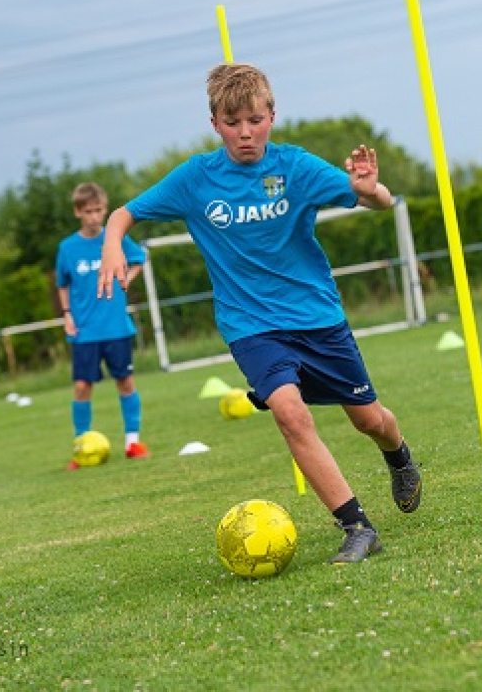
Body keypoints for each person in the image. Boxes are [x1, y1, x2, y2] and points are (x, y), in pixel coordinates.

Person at [97, 63, 421, 563]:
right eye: (232, 122)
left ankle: (398, 455)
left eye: (254, 119)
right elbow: (124, 213)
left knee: (369, 420)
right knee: (290, 413)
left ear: (272, 115)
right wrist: (112, 245)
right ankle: (357, 526)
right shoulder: (195, 179)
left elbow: (373, 200)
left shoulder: (297, 168)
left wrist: (370, 186)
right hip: (250, 325)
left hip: (317, 318)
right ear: (214, 124)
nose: (245, 132)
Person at [56, 181, 150, 468]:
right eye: (88, 212)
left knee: (125, 381)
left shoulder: (115, 237)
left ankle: (132, 442)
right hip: (85, 330)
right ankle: (81, 446)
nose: (95, 217)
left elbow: (139, 259)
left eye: (99, 211)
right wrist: (67, 314)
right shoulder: (68, 248)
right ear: (78, 212)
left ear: (105, 210)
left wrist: (125, 279)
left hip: (116, 327)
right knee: (82, 386)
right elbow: (63, 283)